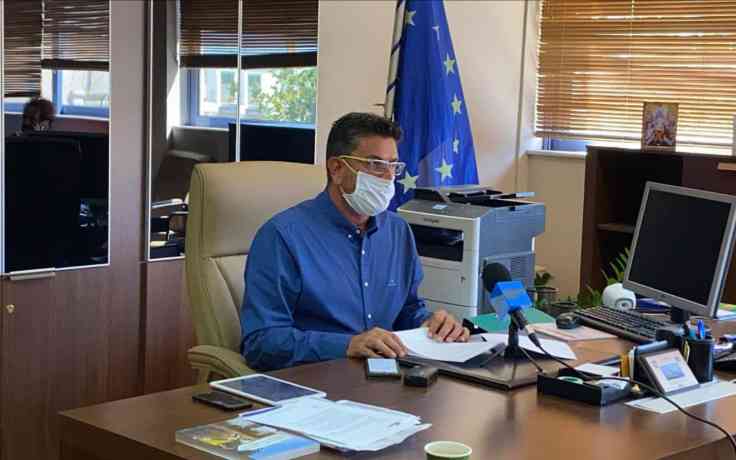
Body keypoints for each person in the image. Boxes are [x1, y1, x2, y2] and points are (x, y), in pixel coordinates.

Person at [241, 112, 469, 371]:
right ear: (337, 169)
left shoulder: (398, 231)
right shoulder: (282, 236)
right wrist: (346, 345)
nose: (388, 177)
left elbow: (407, 310)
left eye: (393, 166)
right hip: (316, 379)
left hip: (388, 376)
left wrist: (430, 325)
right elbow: (261, 343)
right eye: (375, 165)